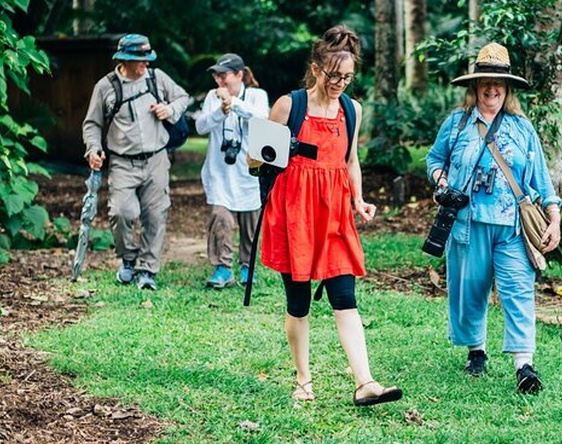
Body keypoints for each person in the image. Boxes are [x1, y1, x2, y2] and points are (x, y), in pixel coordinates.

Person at [258, 25, 402, 406]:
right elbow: (255, 160)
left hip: (335, 212)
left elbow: (350, 160)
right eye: (334, 75)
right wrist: (271, 151)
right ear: (317, 68)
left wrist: (358, 198)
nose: (341, 82)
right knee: (298, 301)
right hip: (294, 211)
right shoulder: (289, 106)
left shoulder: (351, 110)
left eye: (348, 76)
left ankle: (365, 382)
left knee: (344, 295)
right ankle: (303, 380)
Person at [426, 42, 562, 393]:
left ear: (507, 89)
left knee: (518, 291)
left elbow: (541, 180)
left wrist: (555, 218)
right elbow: (434, 160)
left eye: (498, 83)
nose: (491, 88)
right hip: (468, 223)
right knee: (470, 290)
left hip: (513, 227)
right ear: (475, 86)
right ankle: (477, 351)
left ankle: (524, 364)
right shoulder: (457, 124)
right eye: (485, 81)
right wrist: (442, 182)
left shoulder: (521, 128)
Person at [82, 34, 190, 290]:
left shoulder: (157, 78)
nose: (146, 64)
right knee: (122, 212)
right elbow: (92, 124)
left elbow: (182, 97)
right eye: (141, 60)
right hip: (122, 162)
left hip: (156, 159)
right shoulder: (106, 86)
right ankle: (128, 259)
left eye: (147, 59)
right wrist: (93, 148)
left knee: (156, 215)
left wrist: (169, 110)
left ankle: (148, 270)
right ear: (125, 60)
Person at [195, 53, 269, 289]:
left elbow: (263, 119)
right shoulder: (211, 97)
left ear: (239, 75)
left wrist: (234, 103)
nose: (219, 80)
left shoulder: (257, 95)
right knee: (220, 216)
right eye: (216, 75)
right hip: (219, 171)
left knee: (250, 222)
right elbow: (200, 126)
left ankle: (248, 266)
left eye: (223, 75)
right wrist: (221, 110)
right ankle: (223, 267)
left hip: (248, 170)